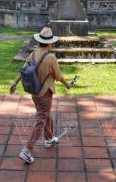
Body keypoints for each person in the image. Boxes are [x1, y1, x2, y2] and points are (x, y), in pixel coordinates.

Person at [10, 27, 73, 165]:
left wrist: (15, 83)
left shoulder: (32, 54)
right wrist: (67, 84)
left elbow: (23, 70)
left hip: (35, 93)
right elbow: (58, 76)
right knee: (41, 119)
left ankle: (49, 138)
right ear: (50, 43)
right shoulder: (50, 57)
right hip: (45, 93)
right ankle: (26, 150)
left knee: (45, 114)